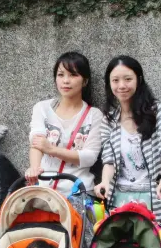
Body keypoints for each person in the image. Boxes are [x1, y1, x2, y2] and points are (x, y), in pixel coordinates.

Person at [94, 55, 161, 228]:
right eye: (115, 80)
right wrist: (104, 182)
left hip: (154, 197)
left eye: (127, 79)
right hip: (120, 200)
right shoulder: (109, 119)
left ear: (138, 80)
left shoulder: (156, 111)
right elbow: (108, 160)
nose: (121, 85)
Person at [25, 52, 104, 196]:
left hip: (78, 193)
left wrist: (52, 149)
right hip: (44, 193)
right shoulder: (42, 108)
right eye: (61, 75)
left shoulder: (94, 115)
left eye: (73, 75)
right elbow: (36, 142)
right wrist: (34, 169)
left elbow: (89, 157)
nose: (66, 81)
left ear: (85, 81)